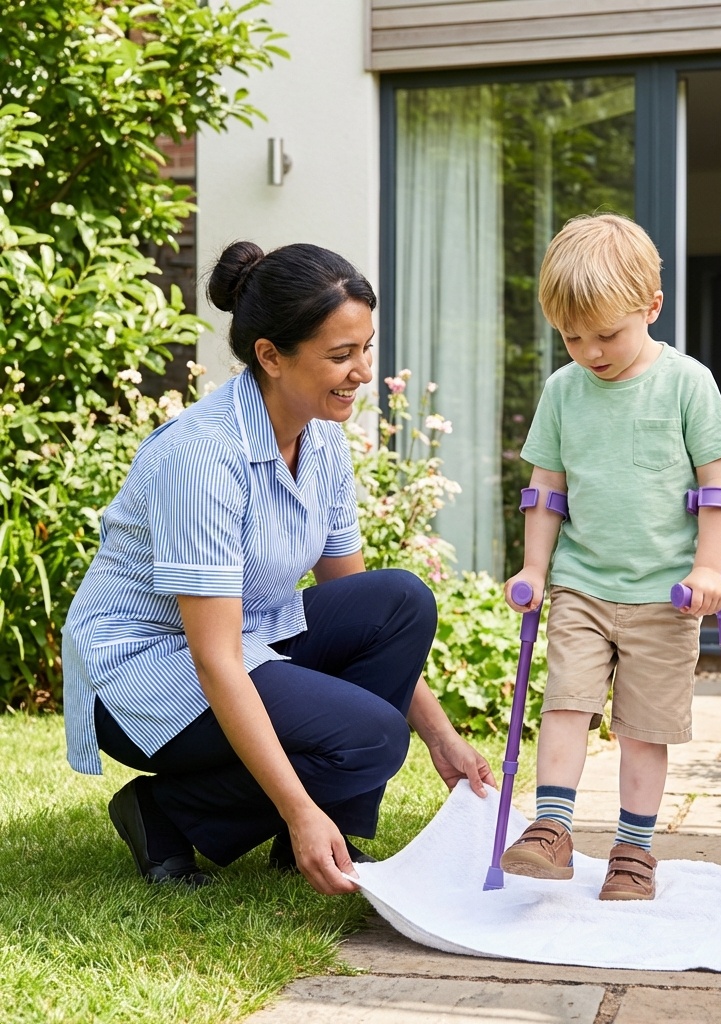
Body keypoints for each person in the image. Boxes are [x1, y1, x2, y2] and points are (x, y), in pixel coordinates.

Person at [62, 241, 494, 893]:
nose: (362, 371)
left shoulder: (320, 436)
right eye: (341, 355)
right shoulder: (204, 457)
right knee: (372, 739)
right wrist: (295, 808)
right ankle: (165, 812)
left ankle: (316, 836)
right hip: (143, 675)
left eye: (365, 349)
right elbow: (214, 659)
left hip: (248, 643)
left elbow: (352, 595)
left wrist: (441, 736)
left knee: (400, 601)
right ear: (270, 355)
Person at [499, 214, 721, 900]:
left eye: (607, 334)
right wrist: (535, 569)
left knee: (642, 730)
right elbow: (546, 491)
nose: (590, 351)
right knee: (566, 706)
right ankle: (551, 829)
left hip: (664, 595)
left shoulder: (687, 384)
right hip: (582, 584)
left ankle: (633, 852)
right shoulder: (562, 391)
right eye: (572, 337)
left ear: (651, 308)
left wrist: (706, 568)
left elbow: (719, 490)